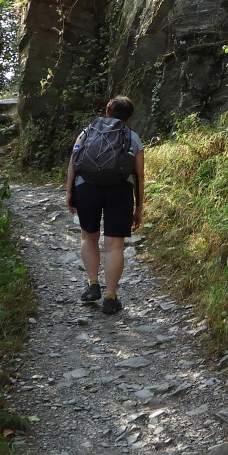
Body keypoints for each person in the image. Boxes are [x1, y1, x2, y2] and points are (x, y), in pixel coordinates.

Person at [65, 96, 145, 315]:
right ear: (129, 118)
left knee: (88, 237)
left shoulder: (87, 131)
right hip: (120, 190)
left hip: (86, 188)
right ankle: (110, 298)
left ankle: (92, 285)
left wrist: (69, 191)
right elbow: (139, 174)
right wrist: (139, 208)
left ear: (107, 112)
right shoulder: (133, 137)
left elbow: (74, 160)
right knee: (114, 246)